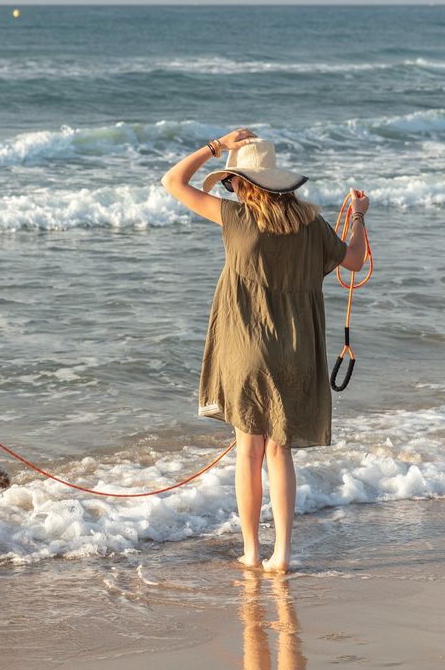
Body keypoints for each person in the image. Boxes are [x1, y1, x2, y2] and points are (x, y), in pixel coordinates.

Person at [161, 129, 369, 572]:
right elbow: (353, 261)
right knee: (280, 453)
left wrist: (216, 146)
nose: (229, 186)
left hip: (246, 351)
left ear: (245, 183)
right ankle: (283, 555)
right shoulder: (311, 225)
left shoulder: (236, 219)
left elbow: (172, 182)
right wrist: (360, 219)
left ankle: (252, 552)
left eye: (232, 180)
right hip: (297, 352)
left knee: (248, 453)